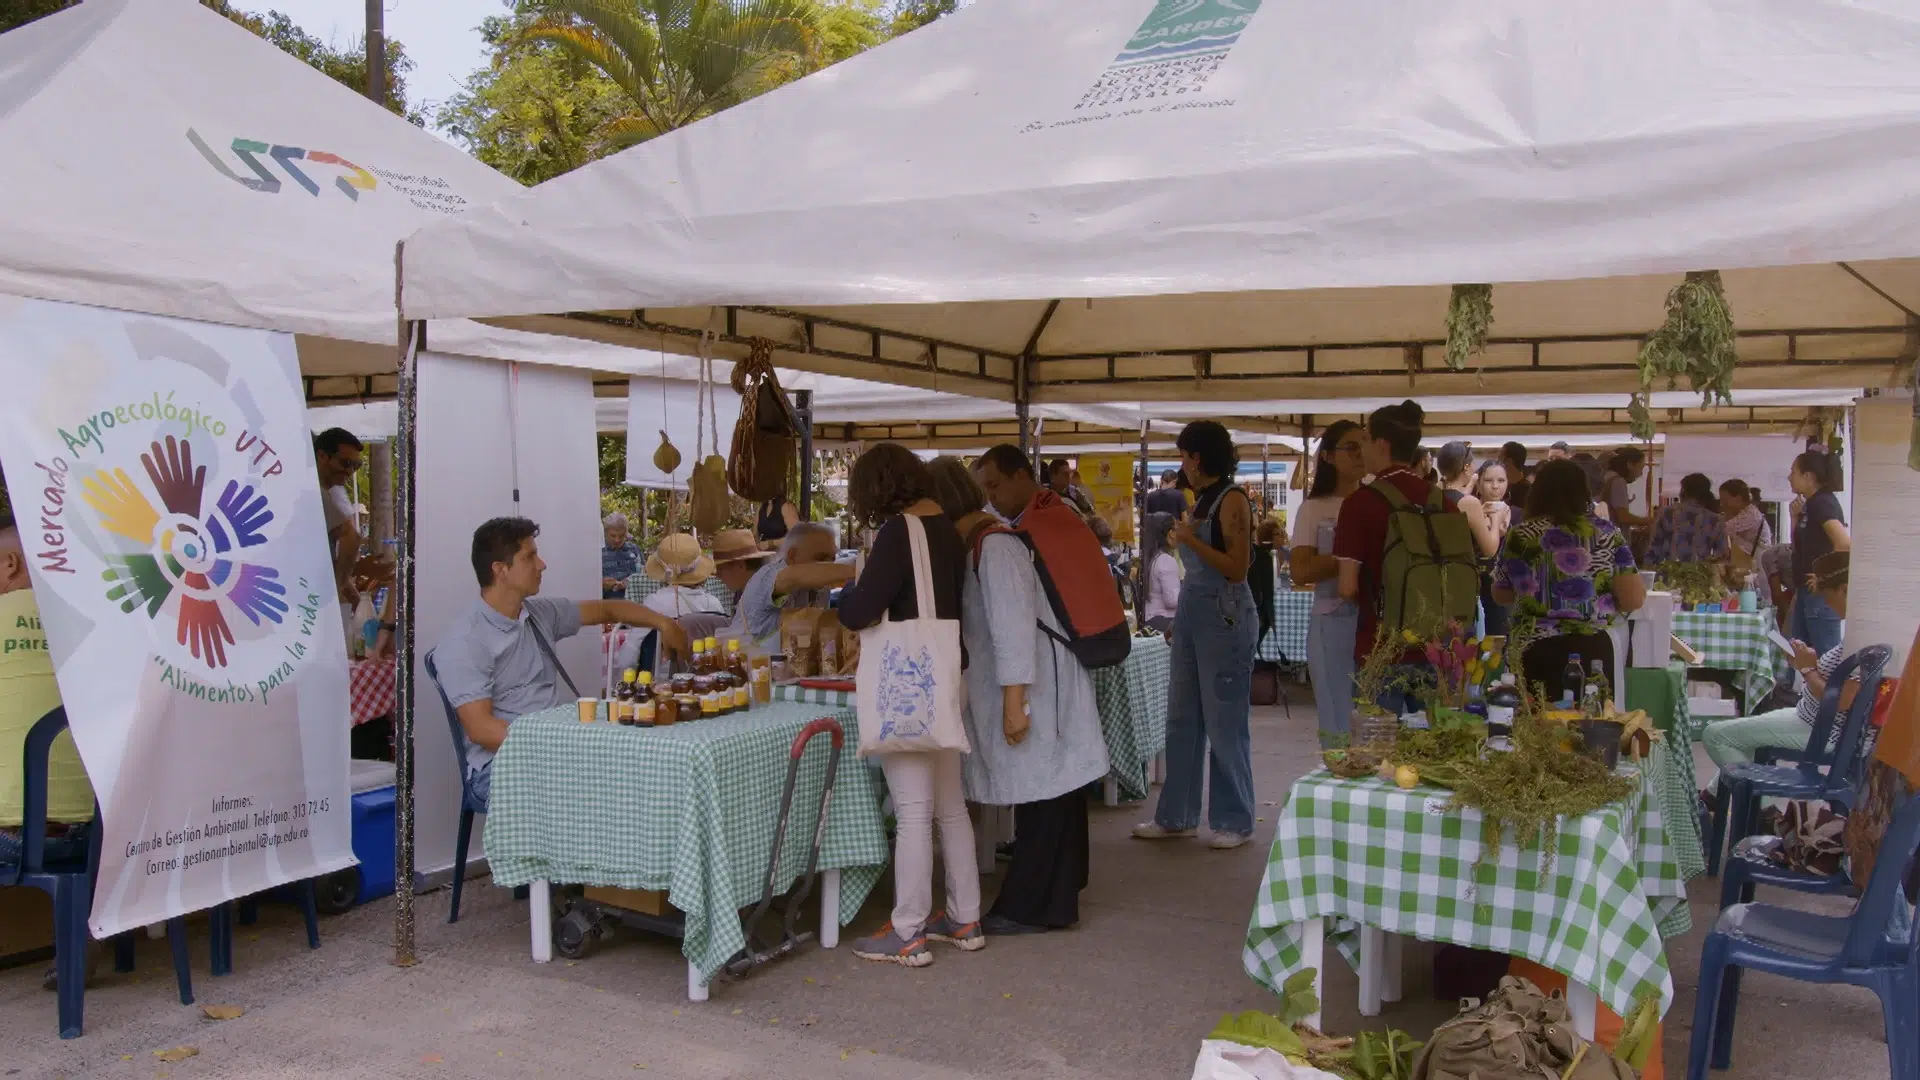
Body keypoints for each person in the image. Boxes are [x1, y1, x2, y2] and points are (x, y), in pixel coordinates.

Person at [949, 448, 1111, 934]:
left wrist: (1013, 703)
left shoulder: (993, 547)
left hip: (1036, 681)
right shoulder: (998, 539)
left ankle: (1033, 906)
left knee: (1045, 792)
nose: (995, 497)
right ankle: (1059, 894)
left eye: (997, 486)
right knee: (1055, 792)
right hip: (1044, 677)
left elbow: (1014, 628)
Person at [431, 517, 689, 808]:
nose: (542, 565)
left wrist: (663, 622)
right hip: (501, 766)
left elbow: (608, 609)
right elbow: (483, 731)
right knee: (603, 793)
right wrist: (563, 747)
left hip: (554, 749)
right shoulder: (465, 641)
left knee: (649, 768)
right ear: (500, 570)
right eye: (529, 557)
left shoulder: (540, 613)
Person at [837, 445, 981, 965]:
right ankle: (965, 917)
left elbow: (860, 612)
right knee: (950, 807)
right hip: (947, 675)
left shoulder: (900, 531)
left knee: (914, 811)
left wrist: (844, 594)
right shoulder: (945, 527)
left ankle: (908, 930)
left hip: (908, 683)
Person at [1134, 421, 1259, 849]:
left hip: (1224, 615)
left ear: (1199, 457)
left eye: (1185, 455)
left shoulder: (1233, 500)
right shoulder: (1203, 499)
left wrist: (1189, 539)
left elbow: (1237, 568)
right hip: (1193, 613)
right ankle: (1177, 815)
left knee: (1225, 719)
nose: (1181, 463)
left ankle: (1235, 820)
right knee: (1182, 716)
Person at [1334, 402, 1457, 705]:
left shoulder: (1359, 504)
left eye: (1364, 439)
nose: (1361, 448)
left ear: (1381, 444)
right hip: (1434, 648)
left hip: (1379, 648)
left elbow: (1347, 587)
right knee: (1431, 747)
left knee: (1377, 747)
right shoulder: (1443, 502)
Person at [1492, 461, 1646, 699]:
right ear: (1583, 492)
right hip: (1594, 648)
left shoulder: (1521, 535)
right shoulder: (1605, 533)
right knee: (1592, 727)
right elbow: (1633, 598)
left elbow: (1501, 594)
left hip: (1533, 646)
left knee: (1535, 727)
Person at [1703, 551, 1859, 775]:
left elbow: (1842, 701)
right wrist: (1808, 663)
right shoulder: (1858, 632)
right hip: (1810, 717)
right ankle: (1714, 795)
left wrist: (1808, 669)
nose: (1825, 603)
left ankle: (1763, 805)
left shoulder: (1862, 638)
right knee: (1741, 734)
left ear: (1844, 589)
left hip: (1821, 730)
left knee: (1715, 735)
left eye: (1826, 595)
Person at [1289, 420, 1364, 743]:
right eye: (1351, 447)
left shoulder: (1374, 502)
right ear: (1329, 457)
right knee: (1337, 719)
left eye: (1365, 445)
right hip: (1332, 622)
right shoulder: (1313, 509)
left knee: (1370, 720)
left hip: (1372, 621)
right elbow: (1300, 571)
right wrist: (1349, 556)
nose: (1360, 454)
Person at [713, 526, 852, 655]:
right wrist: (860, 570)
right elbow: (791, 576)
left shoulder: (820, 588)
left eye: (832, 559)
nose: (829, 566)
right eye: (820, 558)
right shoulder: (769, 577)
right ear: (791, 556)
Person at [613, 532, 728, 674]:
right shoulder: (713, 603)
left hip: (661, 685)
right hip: (710, 684)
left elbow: (628, 658)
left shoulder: (653, 603)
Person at [315, 428, 386, 634]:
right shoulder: (314, 493)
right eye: (345, 463)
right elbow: (351, 536)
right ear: (322, 456)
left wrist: (356, 599)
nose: (349, 471)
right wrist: (340, 583)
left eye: (356, 465)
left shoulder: (327, 495)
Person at [1787, 449, 1850, 656]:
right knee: (1802, 652)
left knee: (1826, 654)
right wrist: (1794, 519)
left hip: (1821, 595)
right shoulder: (1810, 505)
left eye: (1793, 472)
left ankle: (1831, 689)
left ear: (1809, 476)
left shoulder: (1822, 502)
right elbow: (1798, 547)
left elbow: (1843, 543)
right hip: (1807, 590)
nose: (1789, 477)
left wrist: (1824, 577)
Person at [1645, 473, 1731, 565]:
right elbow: (1722, 556)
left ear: (1683, 491)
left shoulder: (1666, 513)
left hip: (1668, 574)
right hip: (1700, 575)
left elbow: (1653, 549)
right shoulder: (1716, 520)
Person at [1473, 459, 1515, 637]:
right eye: (1489, 481)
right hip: (1473, 587)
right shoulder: (1469, 511)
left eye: (1501, 480)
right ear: (1479, 483)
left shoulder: (1516, 514)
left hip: (1504, 589)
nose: (1495, 486)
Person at [1719, 479, 1774, 595]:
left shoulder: (1750, 515)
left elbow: (1721, 529)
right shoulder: (1745, 512)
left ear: (1738, 498)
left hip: (1759, 569)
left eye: (1725, 500)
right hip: (1752, 568)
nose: (1721, 504)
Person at [1140, 512, 1180, 635]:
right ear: (1170, 533)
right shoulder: (1166, 561)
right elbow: (1172, 601)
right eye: (1177, 528)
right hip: (1164, 621)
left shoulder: (1149, 559)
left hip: (1149, 619)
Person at [1599, 447, 1648, 529]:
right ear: (1630, 465)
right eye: (1640, 468)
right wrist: (1649, 521)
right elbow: (1623, 517)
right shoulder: (1618, 481)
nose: (1640, 474)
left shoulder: (1607, 478)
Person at [600, 511, 642, 600]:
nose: (617, 540)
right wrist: (601, 584)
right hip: (608, 606)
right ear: (605, 533)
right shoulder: (598, 553)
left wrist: (629, 583)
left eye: (621, 536)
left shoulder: (634, 550)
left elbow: (646, 576)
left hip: (635, 603)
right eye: (613, 535)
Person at [1500, 442, 1532, 514]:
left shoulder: (1528, 492)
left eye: (1500, 458)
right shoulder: (1500, 487)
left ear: (1508, 461)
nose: (1498, 463)